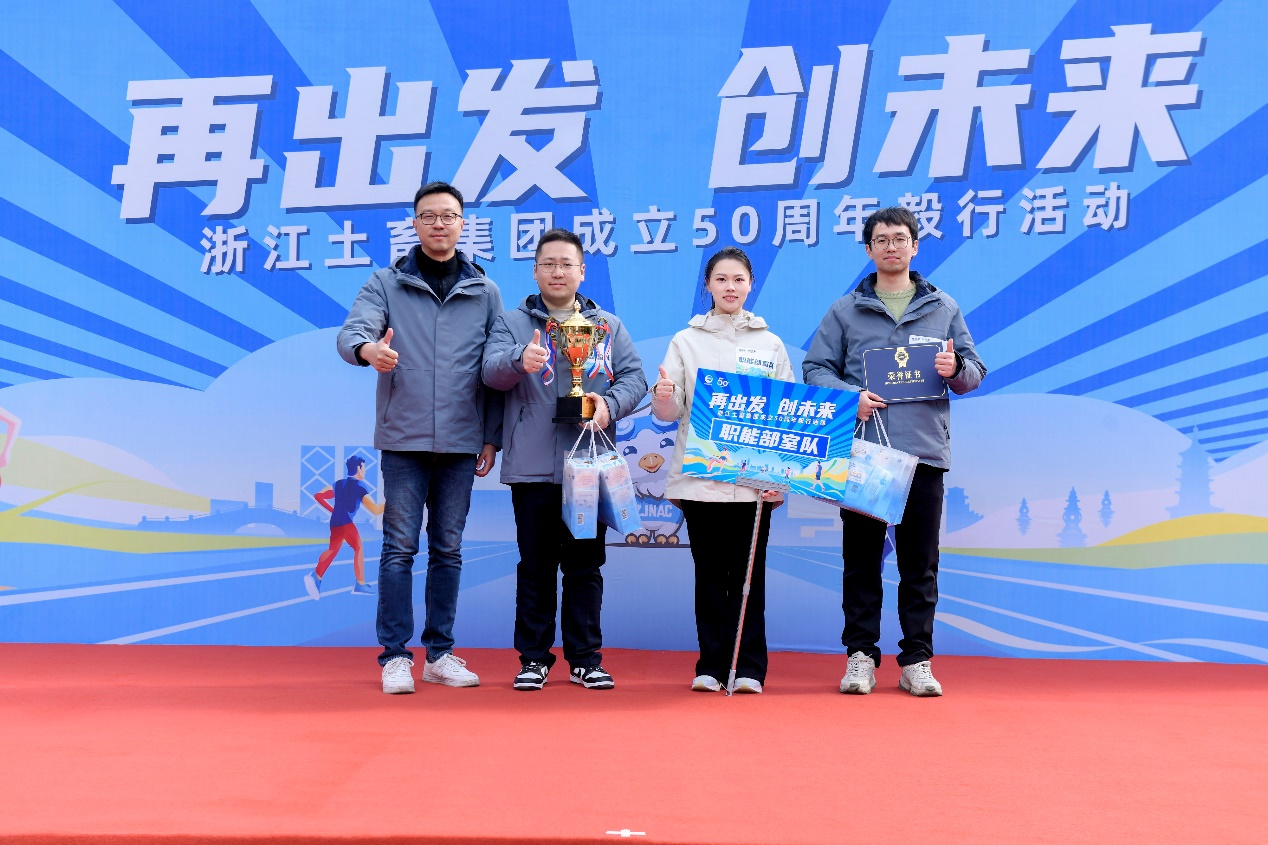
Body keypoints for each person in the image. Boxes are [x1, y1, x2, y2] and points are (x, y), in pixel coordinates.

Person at [803, 206, 985, 697]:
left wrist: (954, 368)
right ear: (868, 249)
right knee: (862, 562)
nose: (891, 247)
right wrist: (850, 398)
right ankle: (860, 656)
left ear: (915, 246)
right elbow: (815, 369)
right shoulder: (846, 310)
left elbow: (974, 372)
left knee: (919, 566)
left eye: (900, 238)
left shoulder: (943, 307)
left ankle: (916, 661)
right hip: (865, 456)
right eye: (881, 240)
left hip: (923, 454)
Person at [337, 181, 504, 695]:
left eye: (448, 215)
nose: (438, 224)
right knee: (399, 549)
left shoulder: (485, 291)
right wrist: (369, 351)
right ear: (414, 224)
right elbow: (351, 333)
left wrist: (491, 437)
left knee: (449, 550)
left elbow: (495, 369)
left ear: (462, 224)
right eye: (428, 215)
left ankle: (439, 654)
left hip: (461, 441)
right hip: (403, 439)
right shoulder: (385, 284)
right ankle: (394, 656)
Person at [482, 229, 646, 691]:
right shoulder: (512, 323)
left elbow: (634, 379)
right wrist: (519, 359)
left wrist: (606, 405)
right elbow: (489, 372)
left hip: (590, 466)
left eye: (566, 264)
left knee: (584, 566)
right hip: (531, 466)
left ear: (582, 272)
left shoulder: (607, 325)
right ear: (535, 271)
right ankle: (533, 659)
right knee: (535, 567)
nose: (558, 272)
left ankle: (585, 658)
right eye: (549, 263)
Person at [650, 247, 794, 694]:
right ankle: (711, 665)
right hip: (702, 481)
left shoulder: (770, 344)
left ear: (750, 285)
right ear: (708, 285)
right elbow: (669, 411)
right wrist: (663, 395)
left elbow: (786, 414)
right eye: (721, 279)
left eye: (738, 279)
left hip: (755, 482)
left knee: (750, 577)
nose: (730, 287)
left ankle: (748, 667)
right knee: (710, 576)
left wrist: (781, 478)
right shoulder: (685, 340)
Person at [303, 455, 383, 599]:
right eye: (364, 468)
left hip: (335, 522)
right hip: (346, 523)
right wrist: (393, 502)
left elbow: (318, 496)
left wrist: (333, 510)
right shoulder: (360, 486)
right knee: (358, 547)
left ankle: (316, 575)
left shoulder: (339, 484)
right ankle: (360, 584)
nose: (365, 471)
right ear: (358, 468)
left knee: (333, 550)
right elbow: (376, 510)